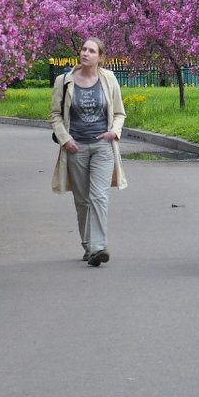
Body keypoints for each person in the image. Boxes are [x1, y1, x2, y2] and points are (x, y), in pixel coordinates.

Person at [49, 38, 128, 267]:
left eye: (91, 51)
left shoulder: (109, 79)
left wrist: (114, 132)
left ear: (100, 57)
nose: (85, 53)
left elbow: (119, 113)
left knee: (99, 196)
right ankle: (88, 245)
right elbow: (54, 114)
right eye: (83, 49)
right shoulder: (64, 81)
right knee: (82, 200)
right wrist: (65, 140)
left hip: (103, 146)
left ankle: (98, 247)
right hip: (76, 147)